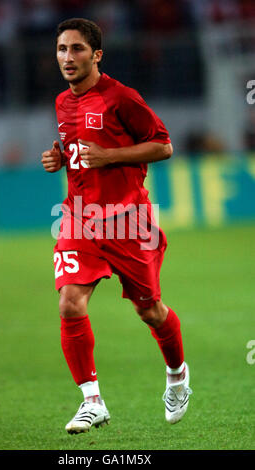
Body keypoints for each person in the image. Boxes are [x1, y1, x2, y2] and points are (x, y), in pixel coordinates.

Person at [41, 18, 192, 434]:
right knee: (70, 302)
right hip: (79, 219)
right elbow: (78, 152)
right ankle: (92, 401)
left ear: (97, 55)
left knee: (150, 310)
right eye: (61, 49)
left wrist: (110, 157)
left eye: (76, 49)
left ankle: (178, 374)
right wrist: (59, 158)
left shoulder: (121, 97)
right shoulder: (61, 103)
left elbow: (163, 145)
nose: (67, 58)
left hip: (129, 221)